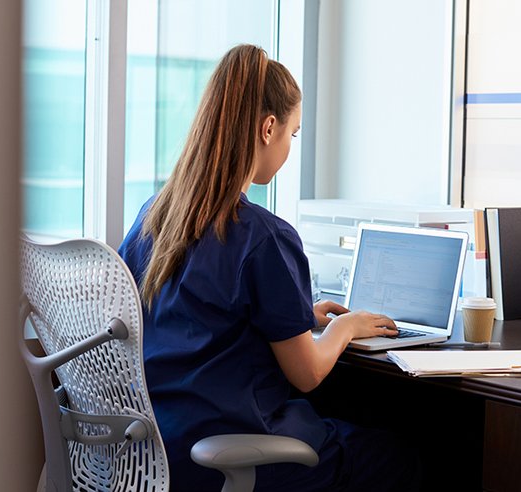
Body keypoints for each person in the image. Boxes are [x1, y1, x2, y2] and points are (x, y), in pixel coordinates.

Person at [119, 44, 421, 491]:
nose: (289, 147)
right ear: (268, 128)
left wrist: (300, 317)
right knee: (405, 458)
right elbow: (307, 374)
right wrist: (346, 327)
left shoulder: (154, 215)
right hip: (233, 455)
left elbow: (190, 317)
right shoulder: (265, 237)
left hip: (157, 453)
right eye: (293, 134)